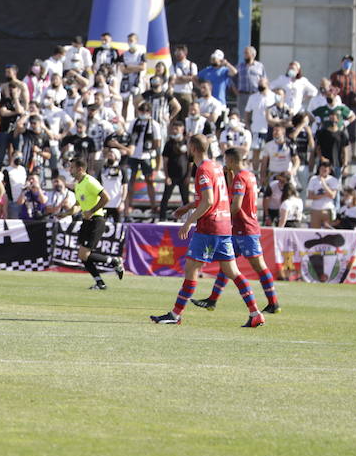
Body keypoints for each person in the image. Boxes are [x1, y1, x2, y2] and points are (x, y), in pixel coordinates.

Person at [151, 134, 264, 328]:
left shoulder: (202, 169)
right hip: (224, 225)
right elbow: (213, 197)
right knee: (232, 271)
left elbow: (209, 200)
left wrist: (189, 222)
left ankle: (176, 314)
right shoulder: (216, 166)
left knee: (191, 269)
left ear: (193, 148)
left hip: (209, 227)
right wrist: (187, 207)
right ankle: (255, 313)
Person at [190, 147, 280, 314]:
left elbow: (236, 205)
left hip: (244, 229)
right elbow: (236, 195)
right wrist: (229, 177)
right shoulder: (248, 175)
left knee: (258, 266)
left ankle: (273, 303)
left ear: (231, 160)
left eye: (226, 160)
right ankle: (212, 300)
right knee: (227, 265)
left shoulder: (240, 178)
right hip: (243, 227)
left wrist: (223, 215)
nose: (225, 163)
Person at [68, 156, 124, 290]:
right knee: (82, 256)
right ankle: (100, 283)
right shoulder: (78, 184)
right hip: (87, 221)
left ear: (80, 169)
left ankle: (114, 261)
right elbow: (78, 206)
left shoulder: (90, 181)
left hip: (96, 220)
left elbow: (106, 197)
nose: (70, 170)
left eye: (72, 168)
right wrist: (64, 214)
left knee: (85, 254)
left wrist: (92, 211)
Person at [305, 159, 339, 229]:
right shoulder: (313, 179)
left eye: (325, 170)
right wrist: (324, 195)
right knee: (314, 231)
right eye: (322, 169)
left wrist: (324, 184)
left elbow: (332, 195)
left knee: (328, 231)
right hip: (315, 209)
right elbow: (310, 196)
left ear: (329, 171)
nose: (323, 172)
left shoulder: (333, 180)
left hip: (328, 209)